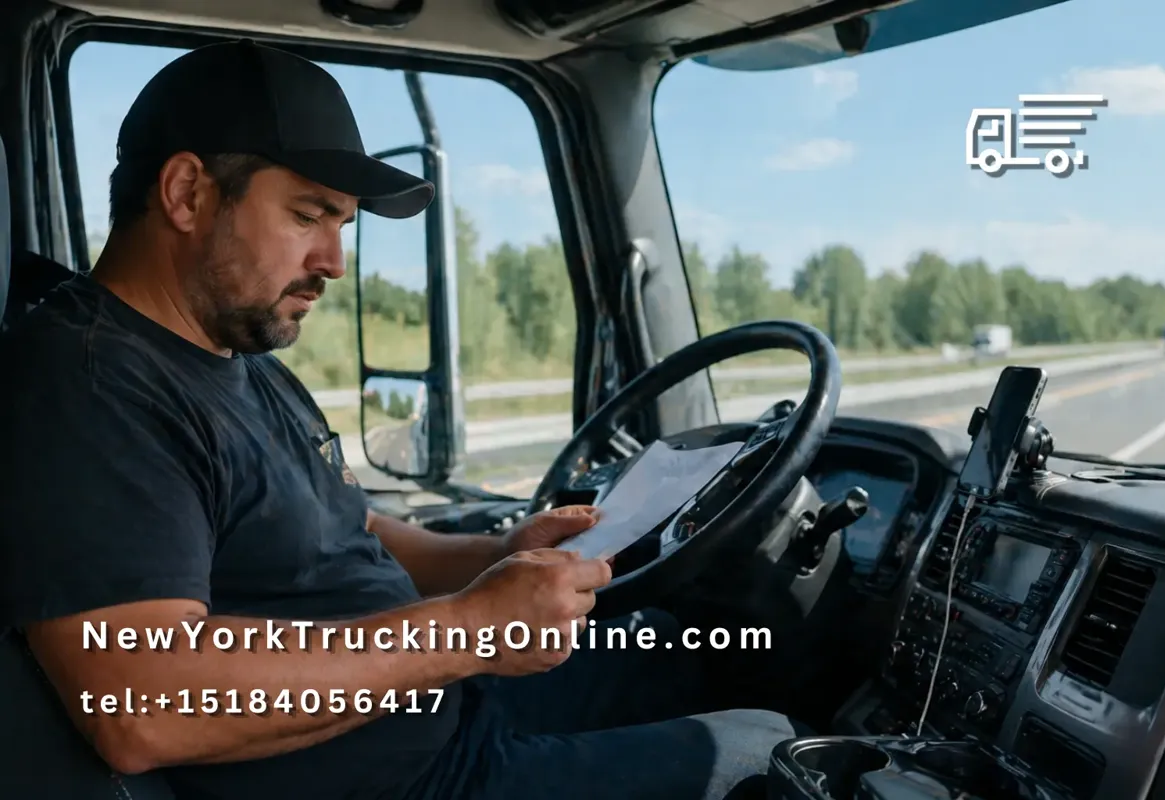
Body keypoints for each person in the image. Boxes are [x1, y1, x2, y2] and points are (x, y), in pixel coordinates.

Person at [0, 40, 807, 799]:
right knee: (771, 751)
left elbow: (345, 531)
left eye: (341, 226)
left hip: (442, 705)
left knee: (682, 643)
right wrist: (471, 628)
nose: (333, 264)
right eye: (308, 215)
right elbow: (145, 702)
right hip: (408, 778)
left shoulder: (233, 359)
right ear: (186, 193)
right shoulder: (88, 386)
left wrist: (496, 554)